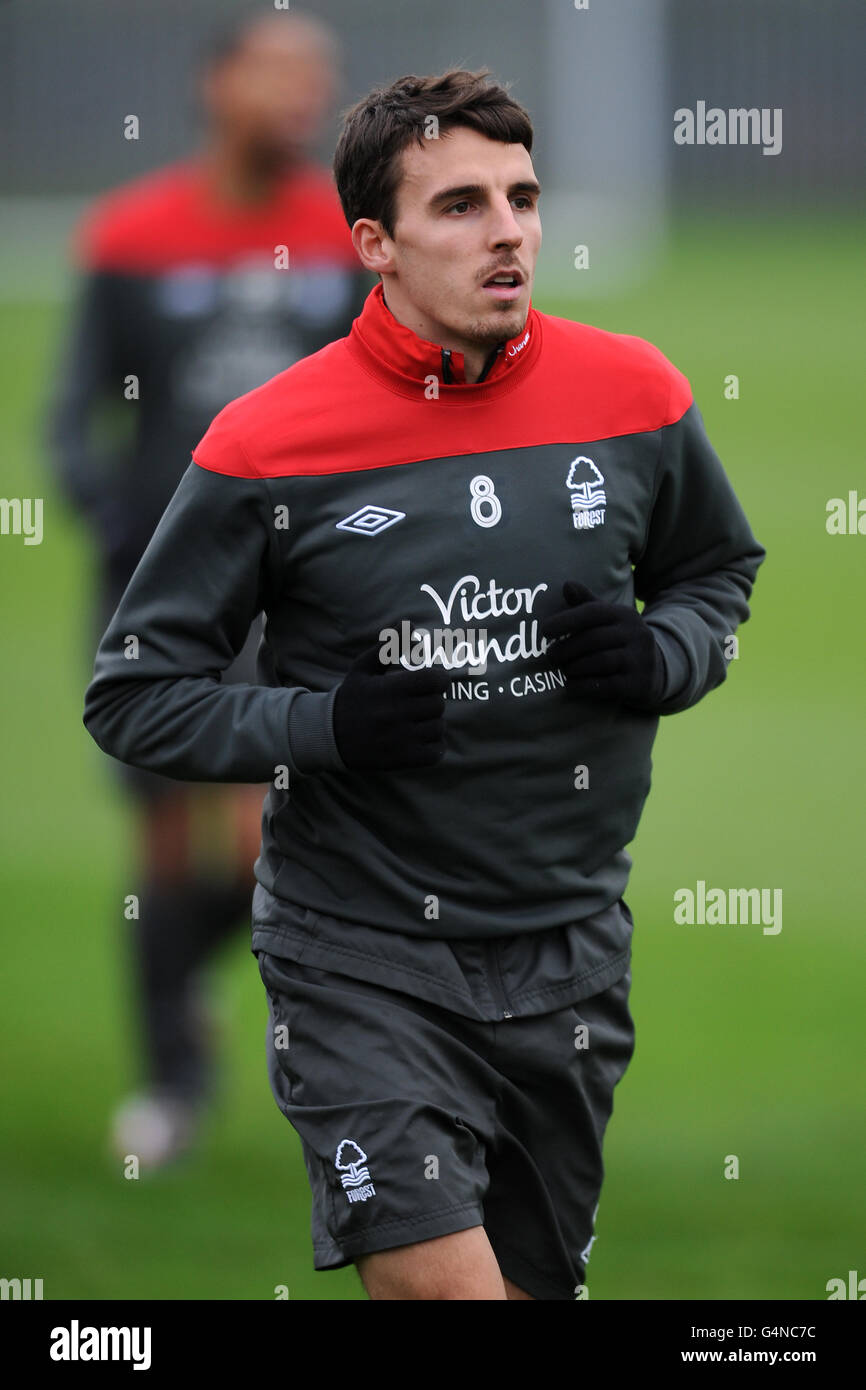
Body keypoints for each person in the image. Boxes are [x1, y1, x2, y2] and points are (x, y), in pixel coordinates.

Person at [83, 68, 765, 1298]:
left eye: (521, 196)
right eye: (459, 205)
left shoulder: (637, 394)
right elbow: (134, 694)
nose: (505, 230)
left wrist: (662, 653)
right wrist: (324, 724)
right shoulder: (267, 441)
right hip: (361, 955)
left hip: (569, 953)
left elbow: (716, 569)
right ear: (374, 244)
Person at [50, 11, 371, 1168]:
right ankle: (171, 1086)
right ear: (216, 83)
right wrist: (119, 528)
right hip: (155, 589)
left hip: (294, 590)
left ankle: (181, 988)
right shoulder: (133, 232)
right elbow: (72, 421)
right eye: (280, 73)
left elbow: (380, 402)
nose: (303, 96)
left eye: (317, 79)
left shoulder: (346, 237)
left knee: (255, 837)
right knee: (157, 846)